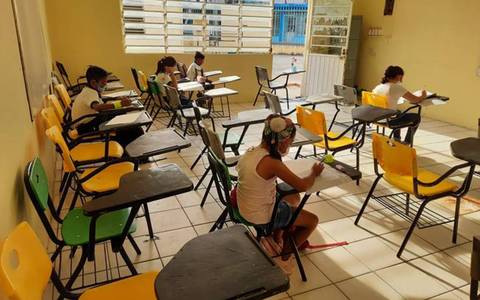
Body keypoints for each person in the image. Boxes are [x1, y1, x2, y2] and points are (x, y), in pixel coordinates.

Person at [236, 114, 322, 259]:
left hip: (244, 208)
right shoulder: (271, 162)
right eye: (290, 142)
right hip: (260, 216)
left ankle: (278, 236)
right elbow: (303, 185)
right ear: (283, 141)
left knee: (293, 197)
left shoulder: (252, 151)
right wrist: (314, 172)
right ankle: (286, 254)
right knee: (312, 220)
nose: (289, 146)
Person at [71, 66, 142, 146]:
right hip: (87, 127)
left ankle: (122, 146)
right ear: (93, 82)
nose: (105, 85)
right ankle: (122, 149)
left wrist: (117, 99)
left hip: (90, 122)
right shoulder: (90, 93)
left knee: (121, 115)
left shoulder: (88, 90)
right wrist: (120, 104)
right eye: (103, 83)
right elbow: (97, 107)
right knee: (135, 129)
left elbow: (99, 103)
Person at [372, 65, 427, 144]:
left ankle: (397, 139)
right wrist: (423, 95)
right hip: (388, 120)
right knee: (416, 117)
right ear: (399, 76)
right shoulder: (396, 87)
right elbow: (415, 100)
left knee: (398, 112)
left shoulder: (378, 87)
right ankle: (407, 142)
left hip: (376, 118)